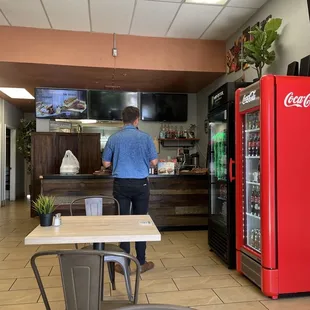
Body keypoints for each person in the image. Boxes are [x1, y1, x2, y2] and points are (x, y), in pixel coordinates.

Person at [102, 106, 158, 274]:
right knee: (141, 222)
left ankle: (123, 263)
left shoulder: (113, 138)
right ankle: (141, 262)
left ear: (122, 120)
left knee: (123, 222)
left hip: (121, 185)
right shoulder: (146, 138)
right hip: (141, 185)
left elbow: (106, 163)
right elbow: (154, 162)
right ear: (137, 120)